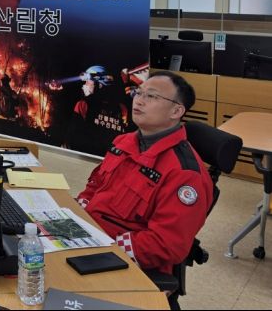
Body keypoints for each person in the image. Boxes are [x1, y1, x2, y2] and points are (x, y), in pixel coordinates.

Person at [76, 70, 213, 276]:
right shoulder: (123, 142)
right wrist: (76, 217)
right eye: (138, 93)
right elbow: (95, 186)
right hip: (88, 235)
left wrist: (107, 246)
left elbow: (167, 244)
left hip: (124, 261)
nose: (139, 101)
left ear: (176, 111)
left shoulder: (185, 174)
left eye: (151, 96)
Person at [65, 65, 130, 156]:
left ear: (99, 84)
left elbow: (70, 140)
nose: (85, 85)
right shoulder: (122, 108)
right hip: (109, 160)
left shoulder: (83, 105)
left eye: (88, 81)